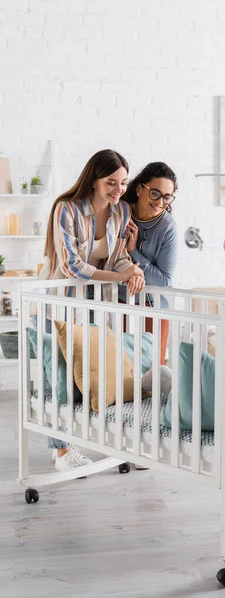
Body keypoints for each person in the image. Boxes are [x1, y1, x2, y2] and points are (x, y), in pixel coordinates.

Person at [40, 149, 145, 472]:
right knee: (58, 374)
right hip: (62, 301)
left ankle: (112, 439)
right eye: (111, 182)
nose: (118, 189)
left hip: (96, 304)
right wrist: (118, 276)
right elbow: (73, 265)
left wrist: (134, 268)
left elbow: (117, 259)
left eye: (123, 183)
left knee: (102, 372)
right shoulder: (66, 209)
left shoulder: (121, 212)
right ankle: (61, 451)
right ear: (94, 179)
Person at [123, 162, 178, 365]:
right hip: (122, 300)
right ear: (139, 189)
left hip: (155, 305)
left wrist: (133, 251)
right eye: (155, 193)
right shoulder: (121, 213)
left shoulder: (167, 227)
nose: (160, 202)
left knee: (154, 370)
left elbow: (164, 281)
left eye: (166, 197)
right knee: (122, 367)